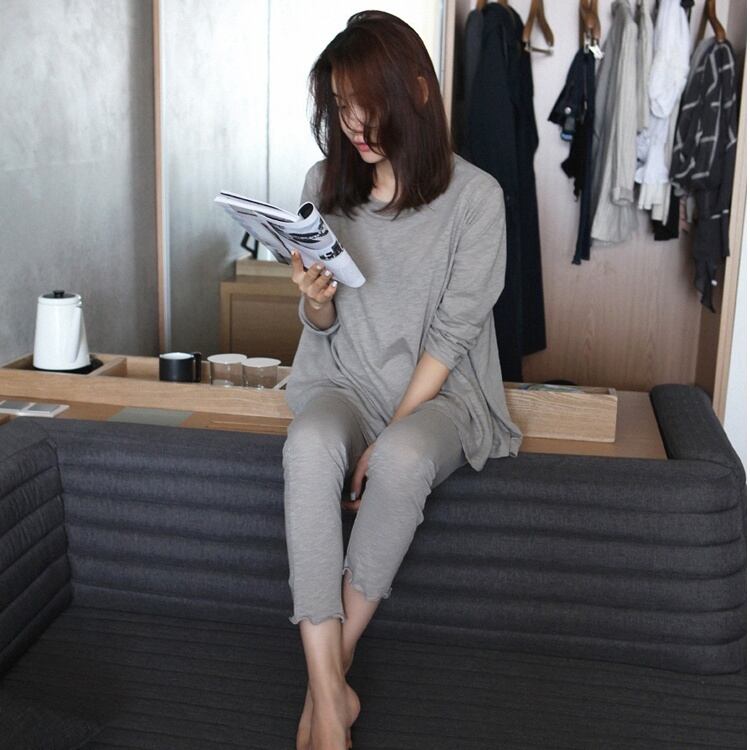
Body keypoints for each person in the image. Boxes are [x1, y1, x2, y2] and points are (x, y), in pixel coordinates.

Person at [282, 10, 523, 749]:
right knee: (307, 446)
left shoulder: (476, 198)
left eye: (367, 104)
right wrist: (313, 301)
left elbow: (450, 340)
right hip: (342, 381)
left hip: (441, 395)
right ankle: (333, 698)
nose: (354, 125)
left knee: (403, 457)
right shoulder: (324, 184)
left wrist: (386, 436)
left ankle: (326, 688)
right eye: (340, 106)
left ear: (417, 90)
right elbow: (322, 328)